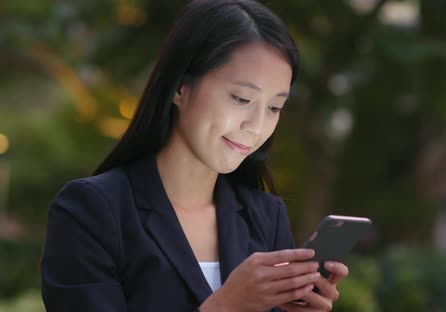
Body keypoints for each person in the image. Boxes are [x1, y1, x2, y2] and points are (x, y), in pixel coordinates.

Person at [40, 0, 348, 311]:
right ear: (180, 88)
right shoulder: (91, 210)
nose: (255, 126)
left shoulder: (266, 216)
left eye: (274, 108)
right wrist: (226, 306)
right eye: (242, 98)